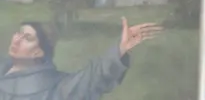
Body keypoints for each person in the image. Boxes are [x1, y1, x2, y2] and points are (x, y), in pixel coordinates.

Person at [0, 19, 161, 100]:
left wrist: (121, 48)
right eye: (19, 33)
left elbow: (92, 78)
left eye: (27, 38)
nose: (16, 40)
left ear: (38, 52)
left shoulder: (56, 87)